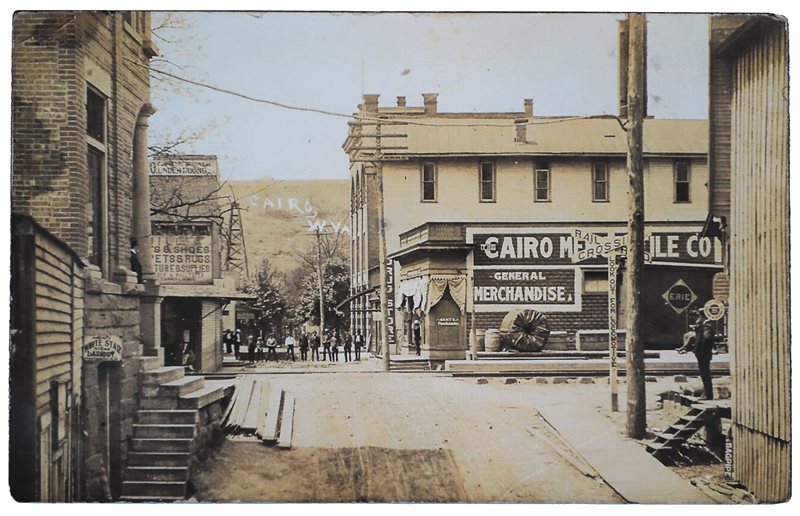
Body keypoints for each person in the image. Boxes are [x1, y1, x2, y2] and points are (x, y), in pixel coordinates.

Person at [677, 309, 717, 400]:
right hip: (703, 353)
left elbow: (706, 339)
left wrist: (700, 347)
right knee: (704, 375)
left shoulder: (707, 326)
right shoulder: (704, 326)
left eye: (698, 316)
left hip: (704, 354)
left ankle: (708, 394)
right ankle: (706, 393)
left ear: (702, 317)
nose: (697, 319)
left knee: (705, 375)